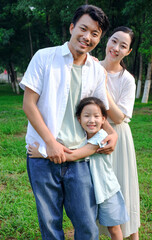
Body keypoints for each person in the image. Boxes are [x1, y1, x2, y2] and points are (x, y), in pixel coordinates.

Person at [19, 5, 118, 240]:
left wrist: (112, 133)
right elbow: (29, 104)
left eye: (95, 33)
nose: (88, 37)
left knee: (86, 225)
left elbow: (99, 112)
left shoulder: (95, 69)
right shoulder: (45, 57)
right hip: (42, 155)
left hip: (80, 157)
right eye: (83, 29)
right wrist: (50, 143)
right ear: (72, 28)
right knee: (50, 225)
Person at [28, 97, 129, 240]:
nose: (91, 120)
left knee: (113, 227)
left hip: (106, 189)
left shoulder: (101, 137)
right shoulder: (81, 137)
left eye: (96, 116)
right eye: (86, 116)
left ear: (103, 119)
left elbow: (74, 156)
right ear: (79, 119)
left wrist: (42, 154)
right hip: (91, 189)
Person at [99, 26, 140, 240]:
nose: (115, 48)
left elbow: (118, 117)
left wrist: (102, 84)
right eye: (114, 41)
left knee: (124, 190)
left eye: (123, 46)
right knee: (98, 192)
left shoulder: (127, 79)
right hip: (94, 136)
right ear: (107, 40)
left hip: (119, 138)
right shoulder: (89, 66)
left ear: (129, 52)